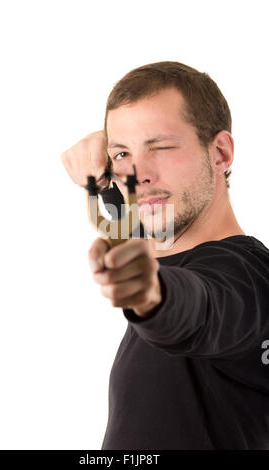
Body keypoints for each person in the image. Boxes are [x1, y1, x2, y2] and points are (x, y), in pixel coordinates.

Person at [61, 61, 269, 450]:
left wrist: (151, 294)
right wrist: (103, 178)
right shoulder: (169, 243)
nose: (138, 174)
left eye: (162, 147)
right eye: (123, 153)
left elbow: (200, 307)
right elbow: (141, 217)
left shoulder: (250, 279)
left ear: (221, 153)